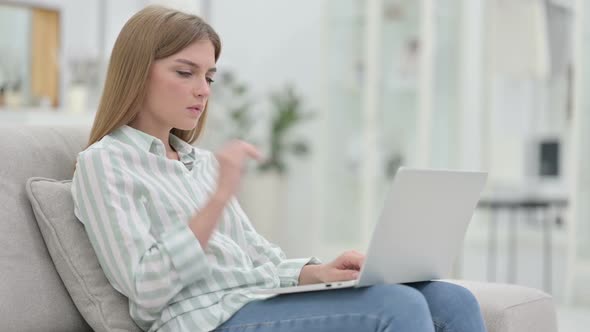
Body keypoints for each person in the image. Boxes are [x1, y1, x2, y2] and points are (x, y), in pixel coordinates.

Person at [71, 5, 487, 332]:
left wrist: (317, 272)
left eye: (210, 77)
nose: (202, 90)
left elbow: (259, 259)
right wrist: (217, 200)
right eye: (185, 72)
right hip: (202, 321)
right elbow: (146, 291)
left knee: (453, 301)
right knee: (399, 306)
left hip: (254, 301)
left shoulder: (202, 163)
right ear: (137, 73)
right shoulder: (104, 164)